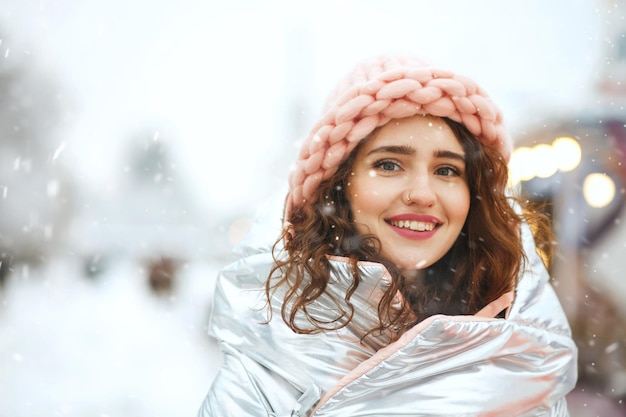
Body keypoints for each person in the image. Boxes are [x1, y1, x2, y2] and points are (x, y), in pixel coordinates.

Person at [197, 55, 578, 416]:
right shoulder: (270, 352)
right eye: (389, 164)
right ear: (338, 186)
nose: (422, 193)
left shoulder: (522, 347)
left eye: (447, 170)